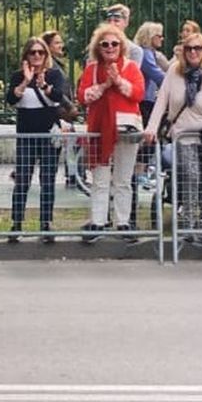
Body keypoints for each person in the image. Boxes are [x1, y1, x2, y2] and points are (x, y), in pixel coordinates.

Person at [144, 32, 202, 244]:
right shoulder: (174, 72)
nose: (193, 52)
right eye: (189, 48)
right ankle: (189, 223)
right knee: (190, 176)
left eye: (198, 48)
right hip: (183, 135)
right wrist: (152, 127)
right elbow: (161, 101)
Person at [77, 22, 145, 241]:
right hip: (99, 128)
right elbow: (82, 96)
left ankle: (123, 222)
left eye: (114, 43)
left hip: (125, 129)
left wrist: (118, 81)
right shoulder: (91, 69)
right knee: (100, 178)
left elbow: (138, 93)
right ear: (98, 47)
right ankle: (98, 221)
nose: (109, 47)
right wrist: (106, 85)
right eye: (105, 44)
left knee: (123, 179)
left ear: (121, 45)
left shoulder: (131, 67)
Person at [7, 36, 69, 241]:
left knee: (47, 180)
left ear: (46, 55)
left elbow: (59, 96)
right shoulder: (18, 76)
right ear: (26, 55)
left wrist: (44, 85)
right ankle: (16, 223)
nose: (36, 56)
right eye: (32, 52)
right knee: (23, 180)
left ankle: (46, 223)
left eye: (40, 52)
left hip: (48, 134)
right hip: (26, 135)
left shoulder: (54, 74)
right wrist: (26, 81)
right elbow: (11, 99)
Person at [43, 28, 88, 197]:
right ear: (48, 46)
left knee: (71, 145)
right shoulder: (51, 66)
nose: (61, 45)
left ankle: (74, 175)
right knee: (70, 145)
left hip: (63, 112)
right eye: (57, 42)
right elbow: (56, 92)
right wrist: (69, 107)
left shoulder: (56, 63)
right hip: (60, 113)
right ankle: (75, 176)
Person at [131, 21, 167, 192]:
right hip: (145, 100)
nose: (162, 39)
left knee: (150, 139)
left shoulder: (150, 53)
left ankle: (141, 171)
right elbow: (157, 74)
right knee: (148, 138)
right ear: (150, 37)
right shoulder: (146, 54)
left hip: (149, 98)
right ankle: (140, 173)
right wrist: (174, 84)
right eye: (159, 36)